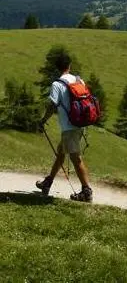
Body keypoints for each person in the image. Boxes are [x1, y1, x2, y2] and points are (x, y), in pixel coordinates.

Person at [36, 53, 93, 202]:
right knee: (61, 153)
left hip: (69, 127)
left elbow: (52, 105)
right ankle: (47, 182)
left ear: (57, 67)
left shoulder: (57, 84)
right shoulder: (79, 80)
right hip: (80, 125)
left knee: (75, 158)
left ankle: (86, 191)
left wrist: (43, 120)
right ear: (69, 66)